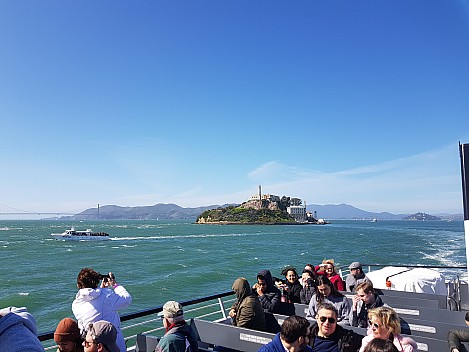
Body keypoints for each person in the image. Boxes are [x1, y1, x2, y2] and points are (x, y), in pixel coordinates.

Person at [72, 268, 132, 352]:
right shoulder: (106, 295)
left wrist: (102, 290)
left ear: (79, 285)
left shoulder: (76, 304)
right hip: (113, 344)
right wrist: (114, 284)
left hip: (92, 346)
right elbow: (127, 300)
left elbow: (94, 303)